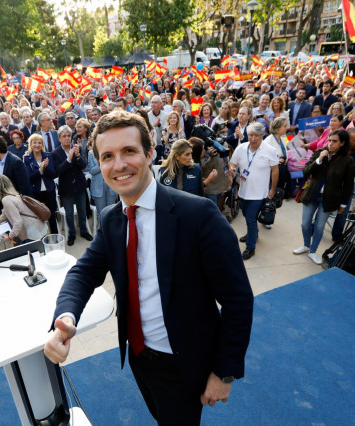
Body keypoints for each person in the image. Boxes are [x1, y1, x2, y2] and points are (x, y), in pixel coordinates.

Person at [44, 110, 253, 425]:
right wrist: (65, 318)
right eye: (107, 156)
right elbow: (84, 272)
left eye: (129, 151)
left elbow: (238, 299)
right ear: (98, 164)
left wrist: (224, 372)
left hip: (185, 362)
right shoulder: (112, 219)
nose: (119, 165)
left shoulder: (198, 215)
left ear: (150, 152)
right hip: (140, 358)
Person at [293, 129, 355, 264]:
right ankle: (305, 244)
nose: (330, 143)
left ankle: (313, 251)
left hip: (329, 199)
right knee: (305, 224)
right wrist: (320, 159)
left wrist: (343, 204)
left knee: (320, 227)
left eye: (334, 141)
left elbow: (348, 185)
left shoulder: (347, 161)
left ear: (342, 143)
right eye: (329, 140)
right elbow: (306, 171)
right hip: (312, 195)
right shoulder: (319, 153)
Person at [229, 122, 280, 260]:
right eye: (250, 135)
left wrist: (273, 189)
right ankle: (254, 233)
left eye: (256, 135)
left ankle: (250, 248)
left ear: (262, 136)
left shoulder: (270, 150)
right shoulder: (241, 148)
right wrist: (232, 168)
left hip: (259, 194)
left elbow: (275, 171)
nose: (252, 138)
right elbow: (233, 162)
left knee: (251, 219)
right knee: (247, 216)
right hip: (243, 192)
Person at [52, 125, 92, 246]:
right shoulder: (55, 153)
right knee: (69, 214)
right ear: (59, 138)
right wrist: (69, 158)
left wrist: (78, 155)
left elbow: (84, 166)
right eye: (64, 136)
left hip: (79, 185)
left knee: (82, 211)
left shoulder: (76, 148)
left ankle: (84, 231)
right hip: (66, 189)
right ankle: (72, 234)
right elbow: (58, 170)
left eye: (69, 135)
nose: (67, 138)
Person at [0, 175, 48, 244]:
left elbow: (18, 222)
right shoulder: (14, 195)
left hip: (31, 234)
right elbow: (4, 215)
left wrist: (10, 236)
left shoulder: (6, 200)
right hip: (37, 228)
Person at [23, 134, 59, 234]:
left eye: (39, 143)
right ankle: (41, 239)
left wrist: (46, 167)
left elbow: (53, 174)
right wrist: (40, 169)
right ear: (31, 144)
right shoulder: (26, 158)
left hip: (49, 190)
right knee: (38, 217)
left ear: (42, 144)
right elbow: (29, 178)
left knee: (52, 215)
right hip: (36, 191)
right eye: (35, 142)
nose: (37, 145)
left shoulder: (48, 155)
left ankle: (55, 238)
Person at [191, 138, 227, 207]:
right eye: (202, 149)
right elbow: (197, 184)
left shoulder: (218, 150)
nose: (204, 150)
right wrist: (209, 179)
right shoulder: (194, 165)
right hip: (209, 190)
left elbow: (225, 163)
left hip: (219, 186)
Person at [87, 148, 117, 219]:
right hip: (98, 188)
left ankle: (111, 230)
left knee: (111, 212)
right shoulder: (91, 153)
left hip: (111, 186)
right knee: (101, 213)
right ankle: (102, 230)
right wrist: (102, 163)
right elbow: (91, 171)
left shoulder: (111, 151)